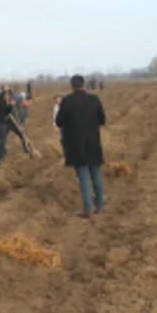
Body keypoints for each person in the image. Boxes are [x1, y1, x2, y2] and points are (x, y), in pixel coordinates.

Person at [56, 74, 106, 218]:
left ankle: (88, 209)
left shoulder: (67, 101)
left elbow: (59, 122)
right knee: (96, 174)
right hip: (93, 143)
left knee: (83, 176)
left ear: (72, 86)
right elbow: (102, 120)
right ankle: (100, 206)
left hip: (75, 144)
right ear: (84, 85)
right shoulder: (94, 99)